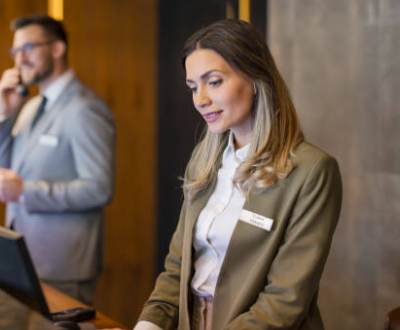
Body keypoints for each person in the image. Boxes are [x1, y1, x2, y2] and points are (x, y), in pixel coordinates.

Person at [135, 20, 342, 330]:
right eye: (193, 87)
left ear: (256, 79)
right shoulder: (203, 161)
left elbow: (285, 300)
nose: (200, 99)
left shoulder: (313, 171)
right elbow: (177, 268)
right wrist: (148, 325)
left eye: (214, 82)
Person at [0, 14, 115, 305]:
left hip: (62, 267)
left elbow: (99, 188)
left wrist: (26, 192)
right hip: (23, 257)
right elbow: (2, 169)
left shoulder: (85, 108)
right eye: (15, 51)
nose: (19, 59)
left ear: (57, 49)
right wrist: (3, 115)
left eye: (28, 48)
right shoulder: (30, 106)